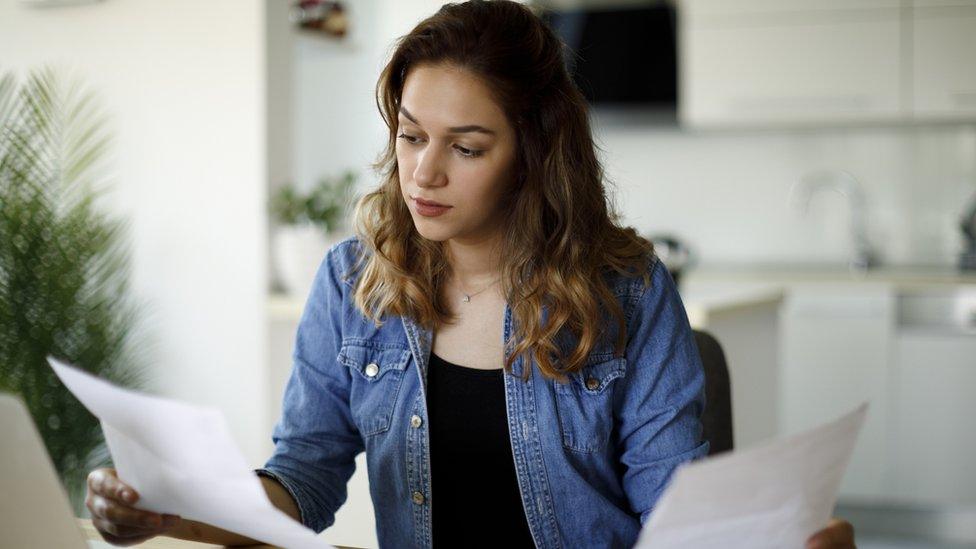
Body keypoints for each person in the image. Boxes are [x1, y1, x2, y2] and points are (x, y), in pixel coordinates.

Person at [85, 1, 856, 547]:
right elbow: (303, 482)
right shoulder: (353, 284)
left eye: (467, 146)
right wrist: (173, 512)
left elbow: (678, 520)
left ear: (534, 153)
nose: (422, 172)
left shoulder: (628, 290)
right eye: (411, 135)